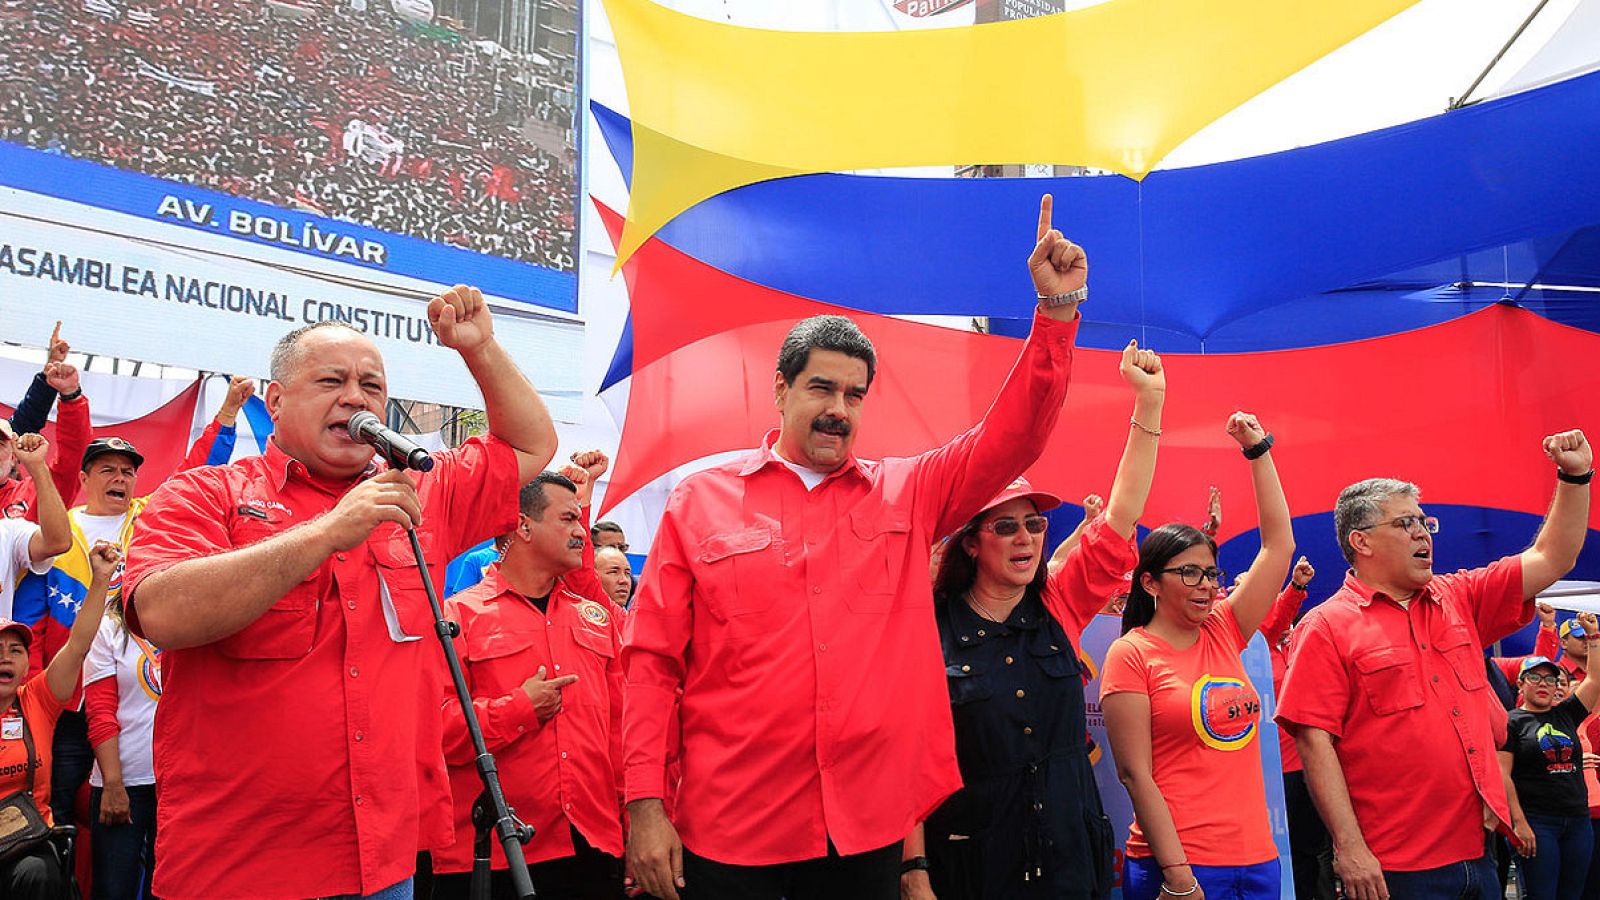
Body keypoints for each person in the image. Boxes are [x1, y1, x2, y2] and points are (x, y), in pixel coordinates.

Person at [623, 195, 1088, 900]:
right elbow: (651, 662)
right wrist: (645, 803)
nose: (840, 408)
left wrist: (1054, 319)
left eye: (855, 394)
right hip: (731, 831)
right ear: (780, 390)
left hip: (864, 832)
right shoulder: (698, 501)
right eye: (821, 388)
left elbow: (1013, 439)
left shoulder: (910, 492)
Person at [122, 285, 557, 900]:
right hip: (239, 865)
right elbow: (161, 612)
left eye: (372, 386)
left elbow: (530, 447)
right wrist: (321, 535)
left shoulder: (419, 492)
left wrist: (480, 349)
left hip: (383, 861)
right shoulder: (204, 493)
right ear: (275, 401)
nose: (356, 398)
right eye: (331, 381)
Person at [1276, 429, 1593, 900]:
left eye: (1426, 523)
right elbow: (1313, 742)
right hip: (1391, 868)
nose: (1423, 532)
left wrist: (1575, 476)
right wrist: (1349, 848)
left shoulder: (1460, 597)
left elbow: (1552, 557)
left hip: (1478, 852)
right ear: (1360, 541)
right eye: (1405, 523)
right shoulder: (1326, 626)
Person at [903, 340, 1165, 900]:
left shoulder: (1059, 603)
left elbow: (1121, 513)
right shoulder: (925, 626)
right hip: (973, 862)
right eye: (1005, 527)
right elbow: (903, 761)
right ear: (971, 543)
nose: (1025, 537)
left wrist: (1149, 405)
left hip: (1069, 853)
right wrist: (913, 868)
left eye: (1035, 525)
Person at [1099, 412, 1294, 900]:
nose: (1206, 585)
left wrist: (1258, 451)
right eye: (1189, 573)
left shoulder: (1225, 627)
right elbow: (1134, 774)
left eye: (1210, 574)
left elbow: (1278, 546)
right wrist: (1179, 876)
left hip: (1258, 860)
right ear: (1150, 582)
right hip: (1178, 867)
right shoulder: (1131, 654)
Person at [434, 453, 625, 900]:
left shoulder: (596, 618)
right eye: (569, 519)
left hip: (594, 846)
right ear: (522, 526)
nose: (582, 532)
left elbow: (622, 736)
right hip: (493, 857)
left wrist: (636, 826)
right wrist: (519, 709)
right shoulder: (458, 616)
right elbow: (431, 732)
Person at [0, 539, 119, 900]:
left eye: (15, 650)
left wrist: (100, 580)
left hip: (29, 847)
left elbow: (79, 643)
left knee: (39, 874)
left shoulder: (38, 699)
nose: (6, 658)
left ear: (25, 663)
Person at [83, 577, 165, 900]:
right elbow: (100, 711)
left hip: (177, 782)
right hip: (123, 785)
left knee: (171, 889)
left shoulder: (187, 624)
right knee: (114, 891)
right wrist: (113, 784)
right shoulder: (109, 629)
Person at [1256, 557, 1333, 900]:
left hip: (1311, 763)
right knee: (1287, 853)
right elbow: (1271, 624)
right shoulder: (1250, 646)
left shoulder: (1294, 643)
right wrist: (1296, 588)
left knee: (1317, 850)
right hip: (1272, 770)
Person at [1501, 650, 1600, 900]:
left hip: (1578, 820)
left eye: (1550, 679)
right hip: (1539, 823)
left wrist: (1593, 639)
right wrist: (1519, 823)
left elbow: (1596, 679)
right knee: (1542, 894)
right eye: (1535, 677)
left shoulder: (1567, 713)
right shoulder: (1511, 722)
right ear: (1520, 683)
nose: (1543, 684)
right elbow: (1503, 774)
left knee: (1573, 894)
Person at [0, 324, 90, 522]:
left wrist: (71, 396)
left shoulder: (33, 496)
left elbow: (72, 460)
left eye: (0, 444)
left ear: (14, 457)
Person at [1, 435, 71, 615]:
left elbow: (57, 542)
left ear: (13, 458)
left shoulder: (8, 532)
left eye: (0, 445)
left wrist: (38, 467)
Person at [595, 546, 634, 610]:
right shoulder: (578, 616)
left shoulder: (636, 618)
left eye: (627, 573)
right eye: (613, 572)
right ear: (594, 576)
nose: (624, 581)